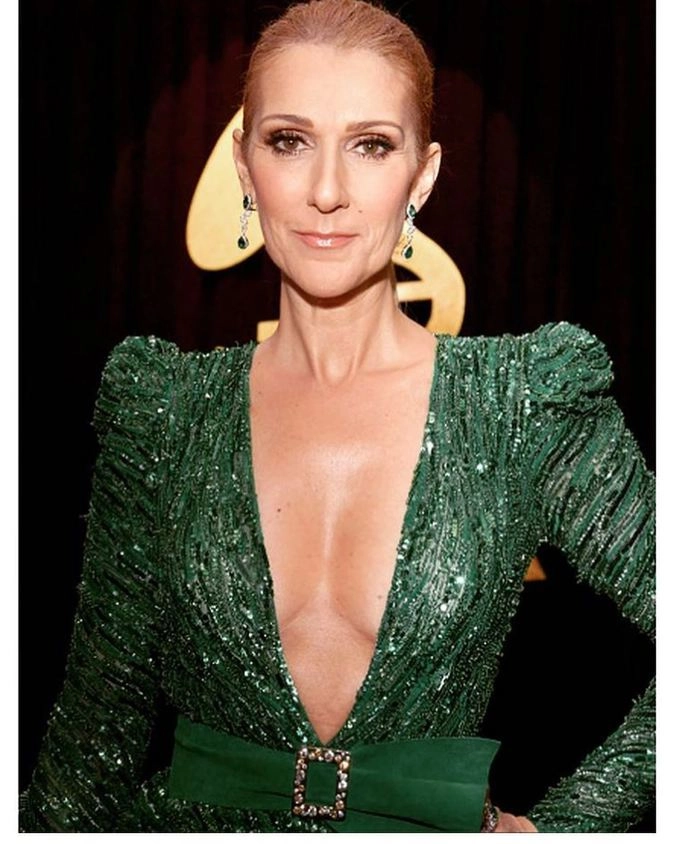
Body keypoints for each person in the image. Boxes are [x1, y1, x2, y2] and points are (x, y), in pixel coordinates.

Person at [20, 0, 654, 833]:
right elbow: (91, 742)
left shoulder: (521, 403)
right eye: (289, 141)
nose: (325, 191)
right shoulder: (164, 413)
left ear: (421, 176)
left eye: (371, 145)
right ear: (244, 165)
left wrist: (573, 825)